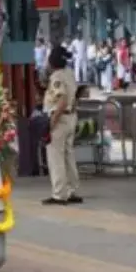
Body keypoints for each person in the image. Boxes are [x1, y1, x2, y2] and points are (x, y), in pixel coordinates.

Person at [42, 46, 82, 205]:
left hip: (59, 118)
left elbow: (62, 100)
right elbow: (75, 96)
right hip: (71, 117)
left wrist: (52, 123)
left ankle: (59, 193)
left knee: (56, 157)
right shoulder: (69, 73)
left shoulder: (57, 77)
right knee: (68, 155)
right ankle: (72, 190)